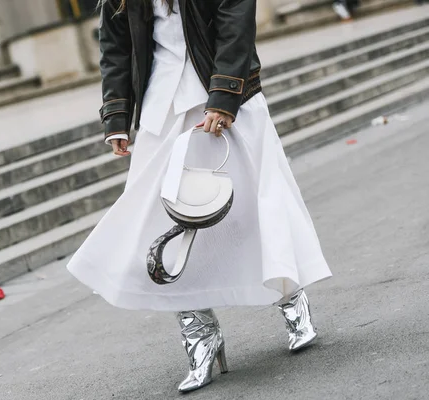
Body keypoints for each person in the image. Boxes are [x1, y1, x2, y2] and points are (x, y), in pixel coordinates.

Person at [67, 0, 332, 393]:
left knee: (257, 207)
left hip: (227, 97)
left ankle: (293, 304)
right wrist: (116, 116)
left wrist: (224, 96)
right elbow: (115, 48)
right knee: (160, 228)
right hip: (161, 111)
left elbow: (235, 25)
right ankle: (201, 338)